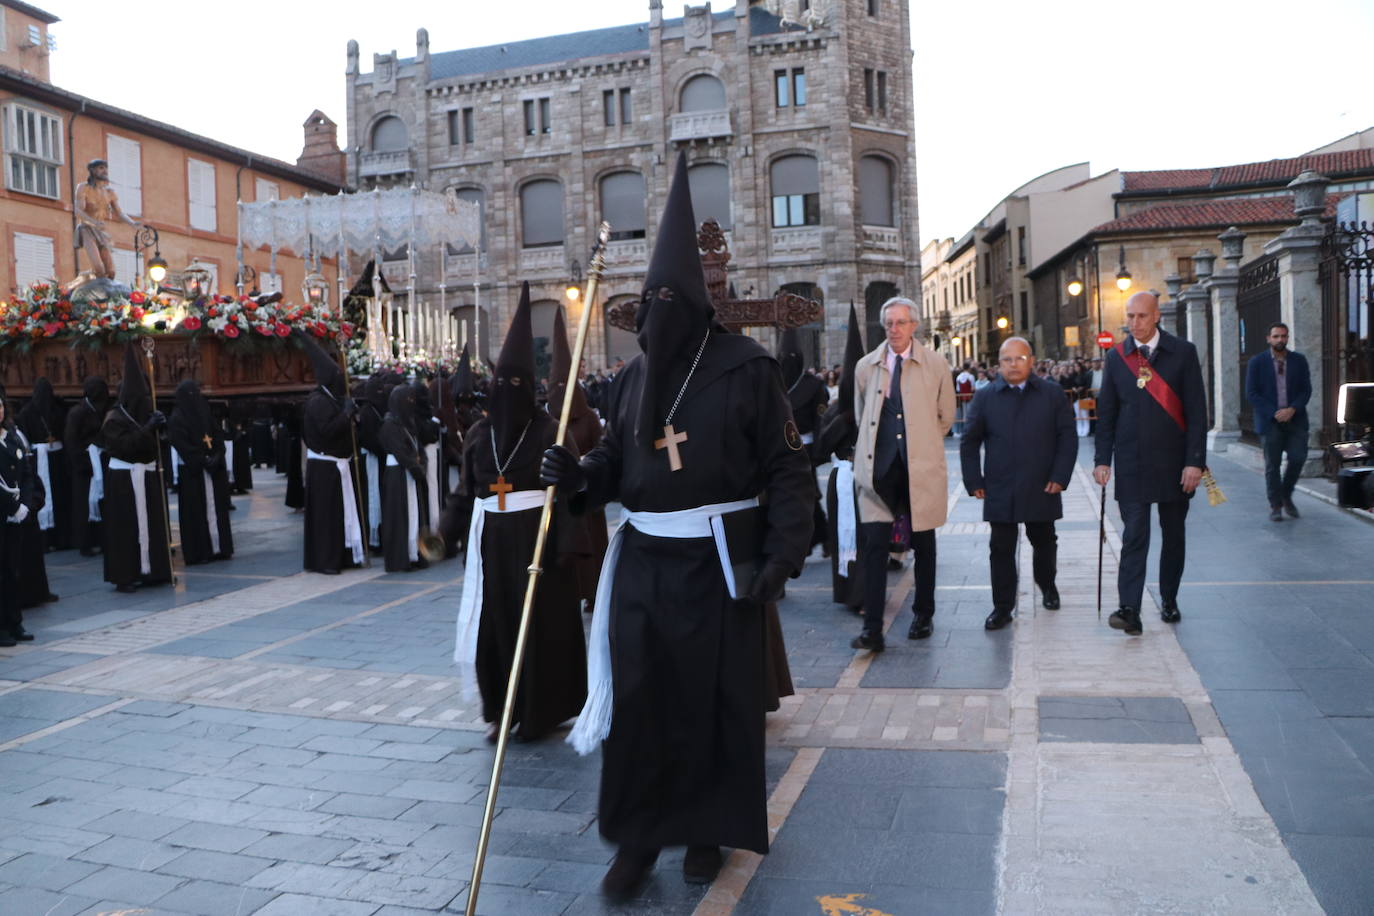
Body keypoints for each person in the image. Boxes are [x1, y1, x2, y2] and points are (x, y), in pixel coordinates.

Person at [539, 153, 813, 898]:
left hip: (719, 566)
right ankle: (638, 838)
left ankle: (703, 831)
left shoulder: (746, 369)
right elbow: (614, 460)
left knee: (710, 705)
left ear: (693, 302)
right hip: (644, 567)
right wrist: (579, 477)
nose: (657, 310)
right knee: (641, 705)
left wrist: (781, 558)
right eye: (648, 298)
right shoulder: (632, 378)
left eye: (669, 296)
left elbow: (788, 470)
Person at [452, 282, 587, 743]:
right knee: (496, 626)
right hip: (491, 541)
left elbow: (570, 491)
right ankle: (500, 709)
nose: (508, 393)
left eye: (517, 385)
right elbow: (465, 491)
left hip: (539, 542)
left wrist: (567, 546)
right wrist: (446, 533)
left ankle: (542, 710)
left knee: (541, 628)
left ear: (530, 389)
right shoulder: (479, 434)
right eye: (501, 384)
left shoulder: (551, 431)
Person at [1093, 291, 1207, 635]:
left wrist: (1194, 462)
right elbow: (1107, 414)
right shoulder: (1117, 358)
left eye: (1141, 316)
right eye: (1130, 316)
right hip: (1132, 463)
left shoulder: (1183, 353)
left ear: (1156, 316)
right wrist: (1102, 460)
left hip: (1175, 464)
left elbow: (1197, 412)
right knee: (1134, 537)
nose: (1134, 323)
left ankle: (1169, 598)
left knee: (1173, 536)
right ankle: (1130, 609)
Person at [849, 298, 956, 651]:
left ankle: (923, 615)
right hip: (879, 473)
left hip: (919, 470)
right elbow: (861, 415)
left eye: (900, 323)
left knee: (924, 545)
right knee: (875, 548)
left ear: (914, 326)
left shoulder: (935, 364)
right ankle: (872, 629)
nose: (894, 329)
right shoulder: (866, 366)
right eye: (889, 323)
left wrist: (922, 442)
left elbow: (946, 417)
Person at [960, 337, 1076, 629]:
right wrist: (973, 480)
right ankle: (1002, 607)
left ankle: (1047, 585)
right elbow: (969, 441)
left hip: (1042, 484)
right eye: (1007, 360)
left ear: (1031, 361)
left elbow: (1067, 437)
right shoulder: (985, 397)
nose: (1013, 365)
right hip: (1000, 486)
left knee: (1044, 541)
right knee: (1001, 548)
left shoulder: (1051, 394)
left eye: (1020, 359)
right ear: (998, 364)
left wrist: (1060, 476)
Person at [547, 306, 608, 608]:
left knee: (591, 541)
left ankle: (594, 592)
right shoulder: (547, 420)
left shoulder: (588, 419)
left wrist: (584, 465)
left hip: (585, 489)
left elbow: (602, 448)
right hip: (560, 494)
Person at [101, 344, 172, 593]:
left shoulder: (145, 412)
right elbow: (125, 447)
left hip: (147, 476)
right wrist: (148, 429)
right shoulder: (113, 419)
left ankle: (154, 570)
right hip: (124, 480)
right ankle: (125, 575)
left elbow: (156, 445)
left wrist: (161, 429)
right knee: (126, 528)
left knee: (153, 523)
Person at [814, 303, 866, 613]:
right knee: (844, 534)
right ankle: (848, 592)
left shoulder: (875, 406)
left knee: (866, 538)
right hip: (844, 478)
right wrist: (842, 422)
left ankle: (864, 593)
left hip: (869, 479)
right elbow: (821, 449)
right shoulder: (835, 411)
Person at [300, 336, 365, 575]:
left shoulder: (331, 398)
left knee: (341, 514)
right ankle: (326, 559)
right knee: (327, 516)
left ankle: (344, 554)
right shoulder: (318, 401)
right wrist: (345, 415)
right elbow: (327, 431)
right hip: (325, 468)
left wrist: (353, 416)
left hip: (338, 466)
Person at [1245, 321, 1311, 522]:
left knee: (1298, 458)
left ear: (1288, 338)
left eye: (1283, 336)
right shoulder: (1257, 362)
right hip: (1270, 422)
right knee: (1272, 466)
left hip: (1296, 420)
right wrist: (1274, 413)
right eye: (1276, 336)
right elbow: (1251, 393)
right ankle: (1276, 505)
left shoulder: (1299, 361)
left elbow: (1306, 390)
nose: (1280, 340)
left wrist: (1292, 409)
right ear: (1268, 339)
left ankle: (1286, 494)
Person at [167, 380, 234, 564]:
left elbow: (217, 435)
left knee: (217, 509)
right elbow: (181, 444)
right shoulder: (177, 418)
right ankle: (200, 551)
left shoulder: (205, 411)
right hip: (193, 473)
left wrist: (218, 455)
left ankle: (220, 547)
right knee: (195, 512)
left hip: (212, 470)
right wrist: (202, 460)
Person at [778, 327, 829, 551]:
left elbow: (820, 419)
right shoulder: (773, 380)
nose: (787, 362)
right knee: (790, 496)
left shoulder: (812, 385)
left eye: (791, 357)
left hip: (806, 448)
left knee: (808, 495)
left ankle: (819, 537)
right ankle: (809, 539)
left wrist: (819, 450)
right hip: (780, 449)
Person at [379, 383, 427, 573]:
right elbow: (400, 451)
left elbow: (418, 447)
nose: (411, 403)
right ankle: (400, 557)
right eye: (408, 399)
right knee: (400, 517)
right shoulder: (389, 425)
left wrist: (422, 463)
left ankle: (414, 553)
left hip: (410, 473)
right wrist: (415, 467)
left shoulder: (408, 422)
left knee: (413, 514)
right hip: (397, 475)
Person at [75, 159, 142, 281]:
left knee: (111, 272)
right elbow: (78, 211)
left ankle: (86, 279)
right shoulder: (83, 188)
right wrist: (94, 222)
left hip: (101, 232)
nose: (105, 171)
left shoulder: (109, 192)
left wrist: (132, 223)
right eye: (101, 168)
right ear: (92, 170)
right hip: (86, 229)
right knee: (99, 268)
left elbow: (119, 213)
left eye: (106, 168)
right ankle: (84, 282)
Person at [64, 376, 109, 557]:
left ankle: (102, 538)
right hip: (84, 466)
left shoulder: (101, 409)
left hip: (99, 462)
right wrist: (83, 463)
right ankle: (85, 542)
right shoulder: (77, 413)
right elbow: (71, 440)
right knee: (84, 505)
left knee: (101, 501)